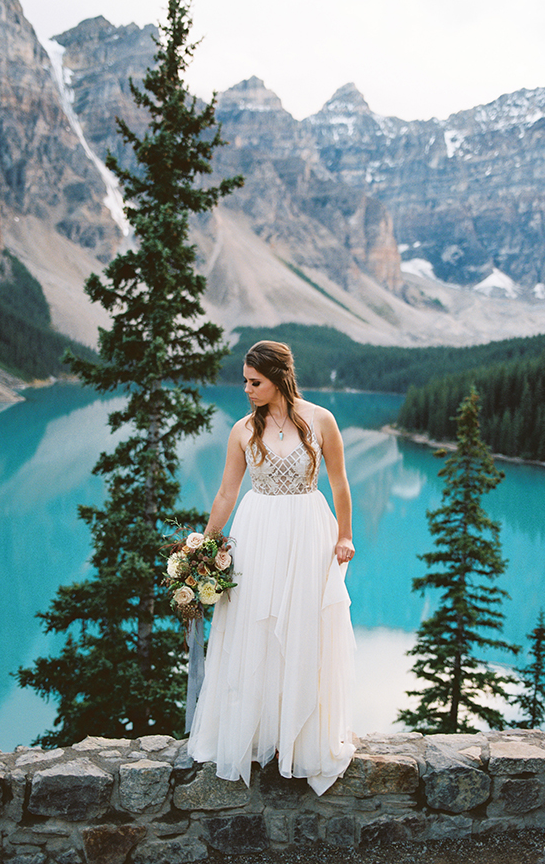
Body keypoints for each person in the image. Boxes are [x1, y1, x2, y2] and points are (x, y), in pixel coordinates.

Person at [188, 340, 356, 795]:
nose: (246, 389)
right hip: (257, 533)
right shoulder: (241, 429)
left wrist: (345, 535)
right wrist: (205, 544)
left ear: (279, 377)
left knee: (304, 629)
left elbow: (340, 483)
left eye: (254, 381)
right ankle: (259, 735)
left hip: (308, 531)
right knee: (255, 630)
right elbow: (226, 493)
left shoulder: (321, 420)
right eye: (245, 381)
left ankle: (299, 741)